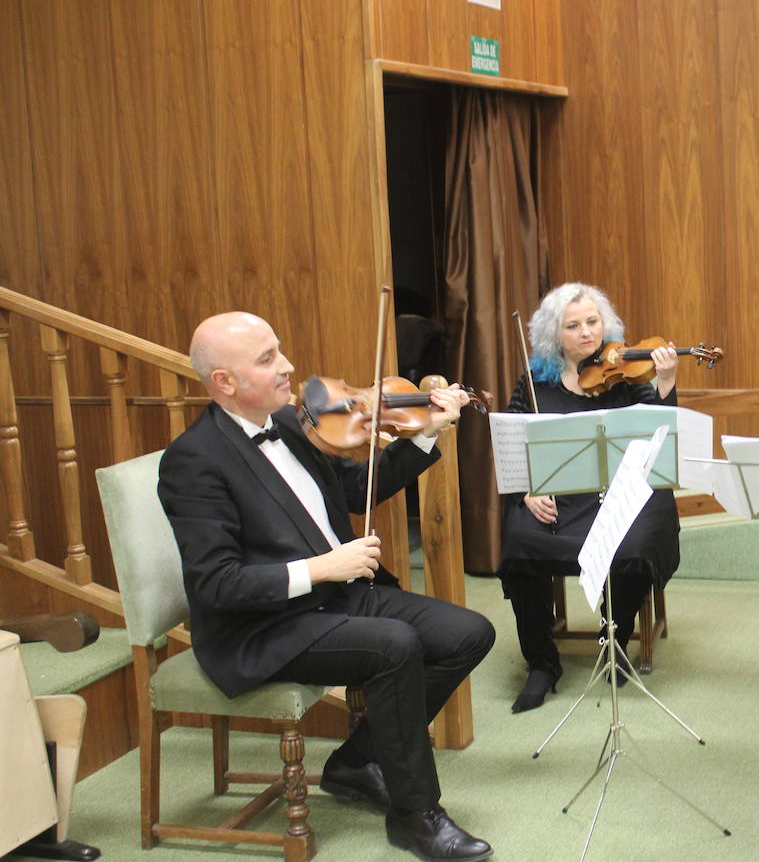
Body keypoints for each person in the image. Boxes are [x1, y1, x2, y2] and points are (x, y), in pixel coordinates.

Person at [157, 312, 496, 862]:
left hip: (335, 597)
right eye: (268, 359)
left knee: (467, 632)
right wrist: (324, 567)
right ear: (224, 382)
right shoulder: (193, 461)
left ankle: (357, 762)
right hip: (264, 626)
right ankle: (414, 815)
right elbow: (217, 584)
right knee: (394, 646)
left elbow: (354, 488)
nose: (289, 366)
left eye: (279, 350)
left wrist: (427, 431)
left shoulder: (290, 423)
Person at [500, 283, 682, 713]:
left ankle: (615, 636)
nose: (587, 333)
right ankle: (542, 663)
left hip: (621, 493)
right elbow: (511, 443)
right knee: (519, 541)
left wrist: (667, 379)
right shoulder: (533, 383)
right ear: (553, 334)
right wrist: (527, 493)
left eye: (593, 322)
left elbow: (659, 433)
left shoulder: (625, 374)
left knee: (637, 543)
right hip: (558, 497)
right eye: (573, 325)